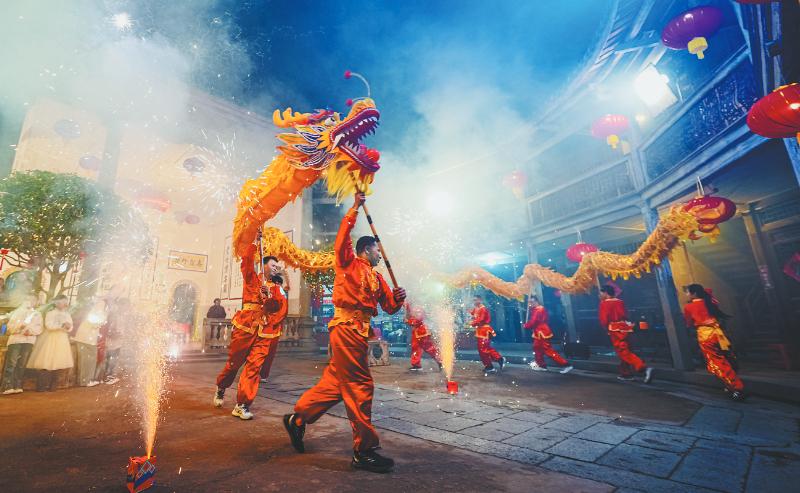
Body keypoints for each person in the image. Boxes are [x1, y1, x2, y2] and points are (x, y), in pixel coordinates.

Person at [284, 192, 406, 473]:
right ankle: (363, 451)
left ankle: (297, 418)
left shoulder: (378, 277)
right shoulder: (347, 262)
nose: (380, 254)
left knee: (336, 385)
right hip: (346, 329)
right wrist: (354, 209)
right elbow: (342, 240)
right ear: (366, 249)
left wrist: (398, 298)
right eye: (377, 250)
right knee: (361, 385)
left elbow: (389, 307)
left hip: (359, 335)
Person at [214, 244, 286, 420]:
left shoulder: (277, 287)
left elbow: (277, 307)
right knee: (234, 363)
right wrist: (254, 243)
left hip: (264, 331)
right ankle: (221, 386)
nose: (275, 269)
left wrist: (269, 296)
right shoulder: (252, 277)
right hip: (246, 326)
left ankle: (242, 405)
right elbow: (246, 262)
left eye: (277, 267)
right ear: (264, 265)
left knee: (254, 367)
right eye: (272, 265)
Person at [684, 284, 745, 401]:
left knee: (717, 363)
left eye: (688, 292)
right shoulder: (710, 302)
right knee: (728, 358)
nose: (687, 294)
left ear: (694, 293)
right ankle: (730, 385)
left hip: (705, 336)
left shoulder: (689, 307)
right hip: (719, 334)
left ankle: (736, 388)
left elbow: (689, 323)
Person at [598, 286, 653, 383]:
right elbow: (626, 315)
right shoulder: (620, 302)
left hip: (615, 329)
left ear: (605, 293)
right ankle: (626, 373)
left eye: (601, 293)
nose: (599, 295)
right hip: (626, 328)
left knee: (623, 351)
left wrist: (606, 329)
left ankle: (643, 367)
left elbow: (604, 319)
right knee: (626, 349)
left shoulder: (604, 304)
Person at [28, 295, 74, 391]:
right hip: (51, 339)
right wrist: (61, 325)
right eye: (61, 302)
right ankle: (42, 386)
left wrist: (68, 327)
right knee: (46, 361)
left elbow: (71, 327)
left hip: (62, 340)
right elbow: (48, 325)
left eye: (65, 302)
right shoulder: (50, 313)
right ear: (56, 303)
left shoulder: (67, 314)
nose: (64, 304)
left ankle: (53, 385)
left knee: (58, 361)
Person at [1, 295, 42, 394]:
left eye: (33, 300)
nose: (31, 302)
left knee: (22, 364)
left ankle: (17, 385)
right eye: (29, 299)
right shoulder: (18, 312)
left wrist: (30, 331)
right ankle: (7, 385)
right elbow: (10, 327)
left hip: (28, 341)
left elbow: (39, 328)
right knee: (12, 363)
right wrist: (20, 327)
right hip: (16, 340)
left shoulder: (37, 314)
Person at [524, 296, 572, 374]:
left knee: (548, 350)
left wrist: (526, 325)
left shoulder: (539, 310)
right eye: (529, 302)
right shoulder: (537, 309)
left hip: (542, 332)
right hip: (539, 332)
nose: (530, 304)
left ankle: (566, 364)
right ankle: (542, 365)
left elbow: (534, 321)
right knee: (537, 349)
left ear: (536, 301)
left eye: (531, 302)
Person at [259, 273, 289, 384]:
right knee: (269, 352)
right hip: (271, 326)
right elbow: (284, 308)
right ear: (278, 283)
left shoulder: (263, 285)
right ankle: (263, 375)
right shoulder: (278, 289)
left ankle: (254, 373)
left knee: (258, 351)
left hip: (261, 323)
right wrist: (275, 321)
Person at [72, 298, 106, 387]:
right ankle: (86, 381)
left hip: (83, 339)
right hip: (88, 340)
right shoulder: (96, 313)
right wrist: (103, 320)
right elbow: (95, 324)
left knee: (83, 361)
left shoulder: (91, 312)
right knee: (89, 361)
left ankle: (82, 381)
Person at [469, 295, 506, 373]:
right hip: (480, 331)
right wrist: (469, 312)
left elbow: (481, 319)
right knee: (481, 350)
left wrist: (472, 323)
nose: (474, 302)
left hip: (484, 331)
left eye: (476, 300)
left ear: (480, 300)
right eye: (473, 300)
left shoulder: (483, 309)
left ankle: (498, 359)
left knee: (484, 348)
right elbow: (473, 314)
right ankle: (489, 366)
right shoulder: (476, 308)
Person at [406, 304, 442, 371]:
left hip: (422, 332)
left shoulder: (418, 307)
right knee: (416, 348)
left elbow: (418, 319)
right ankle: (416, 365)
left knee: (429, 348)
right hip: (417, 332)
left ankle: (440, 361)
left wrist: (408, 321)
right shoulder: (412, 307)